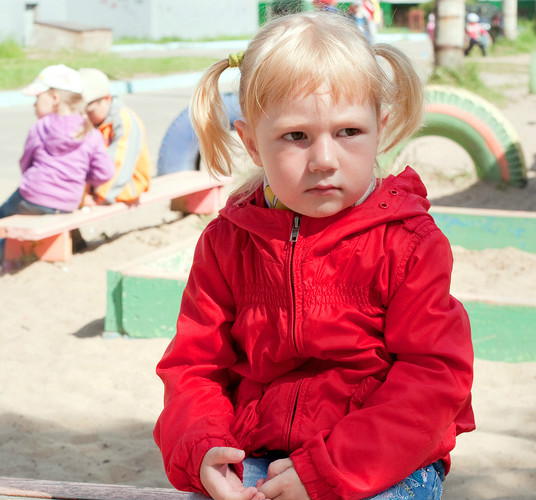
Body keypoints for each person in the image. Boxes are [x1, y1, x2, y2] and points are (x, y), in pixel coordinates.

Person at [153, 11, 474, 500]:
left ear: (381, 128)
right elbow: (195, 368)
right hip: (258, 453)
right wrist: (202, 448)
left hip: (379, 461)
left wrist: (328, 468)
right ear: (250, 143)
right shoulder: (227, 244)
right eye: (295, 136)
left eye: (348, 132)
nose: (324, 158)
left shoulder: (408, 243)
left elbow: (435, 378)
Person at [0, 64, 114, 277]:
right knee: (47, 210)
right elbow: (105, 172)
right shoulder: (90, 132)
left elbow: (25, 163)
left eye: (37, 98)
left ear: (55, 98)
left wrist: (35, 179)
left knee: (1, 214)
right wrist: (85, 179)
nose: (33, 105)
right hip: (68, 202)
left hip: (32, 197)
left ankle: (5, 264)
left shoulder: (40, 127)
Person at [77, 68, 151, 205]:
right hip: (97, 181)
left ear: (107, 98)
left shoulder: (124, 120)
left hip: (127, 182)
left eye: (90, 111)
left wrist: (98, 197)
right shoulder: (89, 119)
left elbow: (119, 164)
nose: (84, 117)